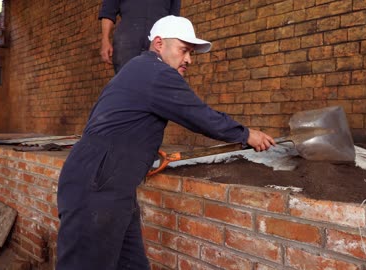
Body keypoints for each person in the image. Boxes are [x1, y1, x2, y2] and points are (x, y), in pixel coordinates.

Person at [56, 15, 276, 270]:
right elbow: (199, 115)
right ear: (159, 44)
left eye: (191, 53)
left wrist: (140, 150)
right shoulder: (156, 73)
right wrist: (246, 134)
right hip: (97, 186)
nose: (189, 60)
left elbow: (105, 121)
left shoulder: (138, 68)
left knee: (133, 265)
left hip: (109, 184)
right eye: (184, 50)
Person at [99, 0, 181, 73]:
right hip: (127, 40)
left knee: (157, 81)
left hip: (159, 40)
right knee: (125, 80)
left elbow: (173, 19)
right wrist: (105, 40)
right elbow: (108, 11)